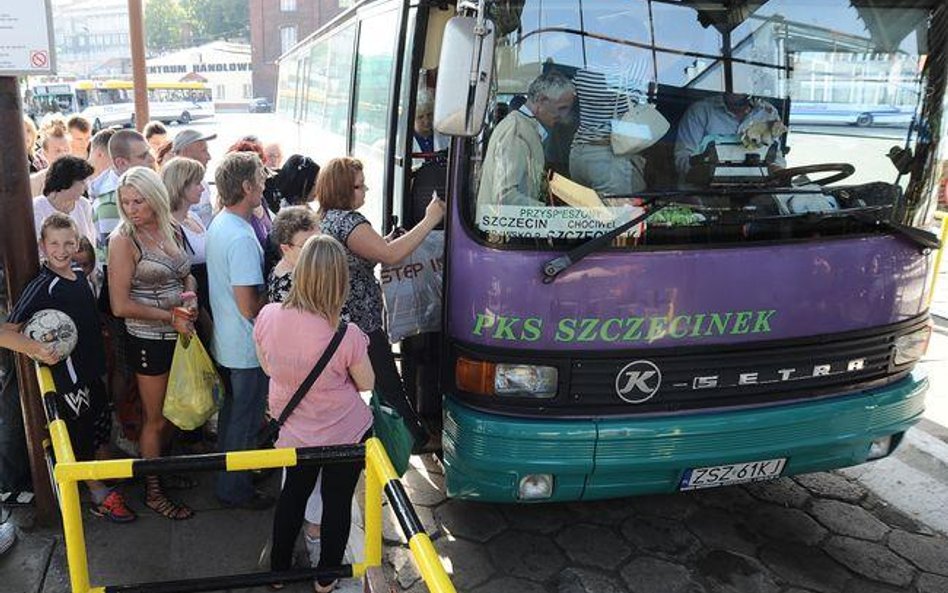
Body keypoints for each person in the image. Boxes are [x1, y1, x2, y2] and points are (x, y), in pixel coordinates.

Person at [255, 235, 373, 593]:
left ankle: (278, 572)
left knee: (292, 496)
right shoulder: (346, 334)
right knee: (338, 504)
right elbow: (367, 383)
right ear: (340, 280)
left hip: (293, 430)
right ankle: (326, 578)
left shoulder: (269, 315)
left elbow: (267, 366)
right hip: (344, 434)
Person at [6, 214, 136, 522]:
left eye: (68, 243)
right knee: (78, 440)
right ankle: (99, 496)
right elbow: (6, 332)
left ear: (77, 243)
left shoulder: (78, 272)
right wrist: (37, 349)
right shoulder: (43, 286)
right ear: (43, 245)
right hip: (69, 380)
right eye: (54, 244)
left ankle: (102, 476)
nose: (61, 250)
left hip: (93, 371)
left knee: (97, 429)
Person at [317, 157, 442, 449]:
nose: (366, 190)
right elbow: (388, 255)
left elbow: (366, 253)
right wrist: (430, 219)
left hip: (343, 316)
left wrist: (386, 241)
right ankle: (414, 439)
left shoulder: (328, 218)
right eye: (359, 186)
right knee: (388, 382)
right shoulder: (350, 221)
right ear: (342, 190)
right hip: (362, 320)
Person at [108, 167, 198, 520]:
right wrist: (169, 316)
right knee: (155, 418)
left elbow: (185, 271)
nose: (131, 208)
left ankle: (163, 469)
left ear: (156, 198)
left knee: (174, 411)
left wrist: (190, 295)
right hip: (148, 338)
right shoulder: (123, 240)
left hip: (179, 332)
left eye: (138, 200)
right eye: (125, 202)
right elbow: (119, 306)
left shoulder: (170, 226)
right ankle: (153, 490)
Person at [205, 152, 273, 510]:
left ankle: (231, 475)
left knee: (234, 416)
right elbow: (250, 306)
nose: (264, 184)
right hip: (246, 348)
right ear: (246, 187)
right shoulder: (243, 238)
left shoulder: (223, 223)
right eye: (260, 179)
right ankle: (235, 488)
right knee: (244, 422)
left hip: (228, 343)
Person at [476, 71, 576, 207]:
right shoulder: (516, 132)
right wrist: (548, 213)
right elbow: (505, 197)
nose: (564, 116)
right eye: (561, 108)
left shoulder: (524, 129)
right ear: (542, 100)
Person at [569, 57, 652, 196]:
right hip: (609, 156)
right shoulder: (635, 67)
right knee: (619, 215)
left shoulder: (579, 67)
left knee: (585, 214)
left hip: (578, 153)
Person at [674, 92, 786, 183]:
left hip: (756, 192)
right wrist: (707, 167)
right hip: (705, 194)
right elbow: (682, 161)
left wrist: (778, 172)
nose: (736, 88)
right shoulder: (700, 111)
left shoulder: (768, 112)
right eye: (732, 81)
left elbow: (776, 157)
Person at [161, 157, 211, 335]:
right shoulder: (168, 226)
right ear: (181, 185)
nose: (202, 188)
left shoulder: (194, 217)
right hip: (196, 303)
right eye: (197, 183)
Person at [33, 155, 97, 246]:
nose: (86, 187)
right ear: (67, 181)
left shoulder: (84, 205)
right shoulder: (37, 207)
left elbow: (91, 244)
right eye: (82, 182)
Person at [268, 206, 319, 303]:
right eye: (307, 245)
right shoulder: (290, 287)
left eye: (318, 240)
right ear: (286, 248)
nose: (317, 248)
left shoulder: (299, 269)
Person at [171, 130, 216, 227]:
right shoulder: (169, 187)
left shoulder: (203, 184)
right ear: (185, 152)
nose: (209, 157)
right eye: (203, 150)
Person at [411, 88, 447, 168]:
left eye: (429, 115)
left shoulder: (445, 135)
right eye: (420, 117)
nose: (426, 121)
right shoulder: (403, 143)